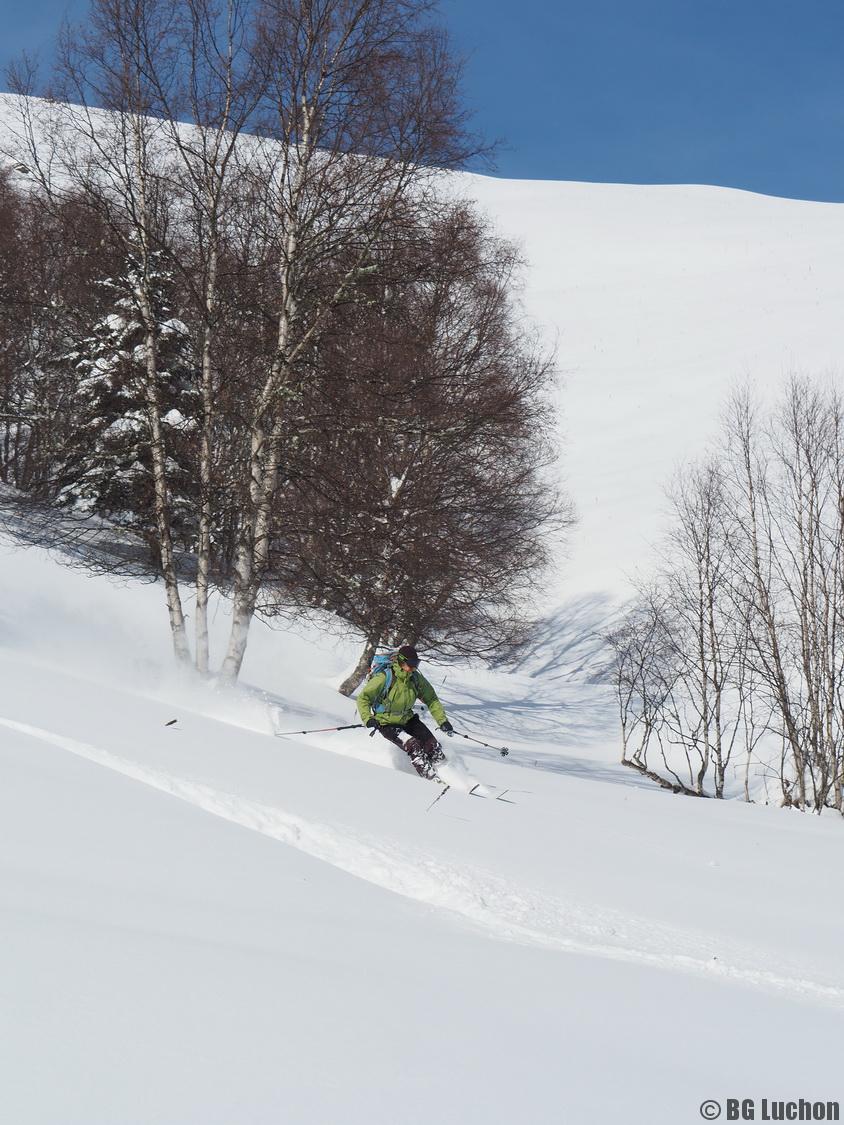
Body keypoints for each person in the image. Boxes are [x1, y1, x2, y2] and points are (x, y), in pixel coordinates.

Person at [356, 645, 454, 780]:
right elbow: (363, 698)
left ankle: (449, 775)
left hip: (407, 719)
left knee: (432, 744)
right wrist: (368, 718)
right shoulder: (385, 677)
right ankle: (431, 779)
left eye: (416, 664)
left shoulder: (415, 678)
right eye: (411, 663)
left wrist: (442, 721)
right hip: (386, 723)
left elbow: (431, 699)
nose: (414, 667)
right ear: (401, 661)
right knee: (413, 745)